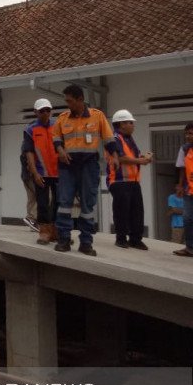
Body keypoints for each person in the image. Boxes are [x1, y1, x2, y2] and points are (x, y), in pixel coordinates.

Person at [52, 85, 118, 256]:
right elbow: (56, 138)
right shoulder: (62, 118)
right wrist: (60, 151)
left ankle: (86, 243)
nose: (67, 104)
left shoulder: (97, 116)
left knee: (88, 205)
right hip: (67, 166)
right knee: (64, 203)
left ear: (80, 99)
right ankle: (64, 240)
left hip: (88, 166)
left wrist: (115, 156)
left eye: (70, 101)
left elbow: (109, 138)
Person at [106, 110, 152, 250]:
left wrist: (143, 158)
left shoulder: (129, 139)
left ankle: (135, 239)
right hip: (119, 181)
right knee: (122, 211)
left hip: (132, 181)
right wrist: (141, 161)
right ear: (121, 124)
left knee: (137, 211)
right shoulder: (114, 139)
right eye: (130, 122)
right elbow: (120, 158)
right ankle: (121, 238)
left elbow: (131, 157)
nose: (133, 125)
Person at [24, 99, 60, 245]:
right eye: (42, 111)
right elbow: (29, 153)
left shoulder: (57, 126)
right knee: (43, 203)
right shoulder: (30, 130)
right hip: (41, 173)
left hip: (58, 173)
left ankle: (57, 231)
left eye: (47, 110)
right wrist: (34, 173)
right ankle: (44, 232)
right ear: (35, 112)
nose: (45, 113)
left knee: (59, 202)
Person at [173, 122, 193, 257]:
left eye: (191, 133)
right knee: (187, 218)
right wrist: (180, 185)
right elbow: (181, 168)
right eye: (186, 133)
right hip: (189, 190)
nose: (188, 136)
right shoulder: (185, 149)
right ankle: (190, 248)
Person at [20, 150, 39, 232]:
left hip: (26, 175)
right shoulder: (31, 146)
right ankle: (32, 219)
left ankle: (32, 222)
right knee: (42, 197)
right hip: (32, 175)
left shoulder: (26, 145)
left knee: (32, 198)